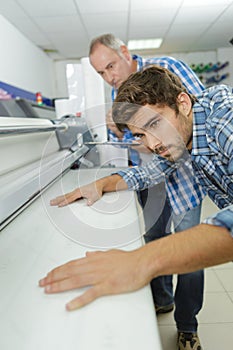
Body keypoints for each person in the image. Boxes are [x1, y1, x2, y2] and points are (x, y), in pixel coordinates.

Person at [39, 66, 233, 349]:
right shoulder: (182, 134)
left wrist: (142, 260)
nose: (153, 144)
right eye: (141, 135)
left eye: (154, 124)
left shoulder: (225, 124)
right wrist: (104, 183)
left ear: (182, 103)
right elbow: (151, 172)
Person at [88, 34, 206, 349]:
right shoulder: (118, 94)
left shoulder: (165, 67)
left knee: (189, 251)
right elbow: (141, 145)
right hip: (152, 178)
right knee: (154, 238)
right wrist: (121, 132)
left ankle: (186, 327)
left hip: (184, 179)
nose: (109, 76)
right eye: (101, 73)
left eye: (111, 65)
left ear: (125, 52)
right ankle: (162, 299)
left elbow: (196, 119)